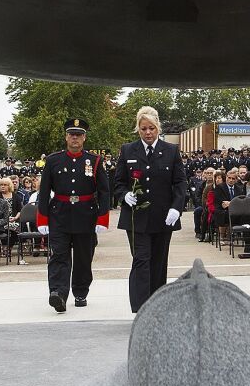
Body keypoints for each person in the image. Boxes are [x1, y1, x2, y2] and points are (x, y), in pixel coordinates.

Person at [112, 106, 190, 311]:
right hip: (136, 217)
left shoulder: (171, 151)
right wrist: (123, 194)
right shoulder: (128, 150)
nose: (148, 132)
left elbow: (180, 183)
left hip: (163, 217)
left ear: (158, 128)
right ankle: (140, 308)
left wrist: (176, 208)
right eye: (143, 128)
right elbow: (118, 181)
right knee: (141, 260)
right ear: (138, 129)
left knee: (158, 262)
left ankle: (157, 306)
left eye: (151, 128)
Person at [37, 117, 110, 312]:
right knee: (58, 256)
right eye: (71, 135)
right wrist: (42, 218)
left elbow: (104, 191)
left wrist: (102, 218)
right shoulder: (53, 160)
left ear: (84, 138)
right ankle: (58, 293)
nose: (75, 138)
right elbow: (44, 191)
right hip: (59, 214)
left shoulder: (94, 161)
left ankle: (80, 292)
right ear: (66, 137)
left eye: (78, 135)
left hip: (86, 215)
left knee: (83, 257)